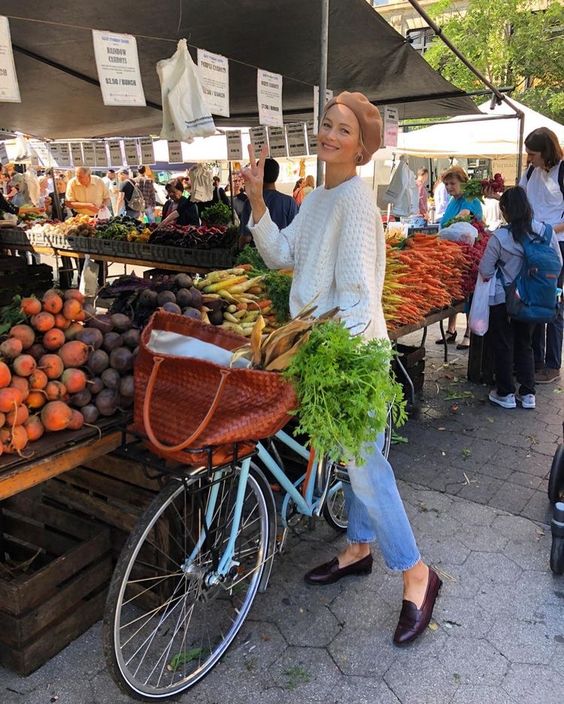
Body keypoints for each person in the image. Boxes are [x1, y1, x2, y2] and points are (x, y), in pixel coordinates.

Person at [241, 91, 441, 647]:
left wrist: (328, 358)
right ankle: (357, 549)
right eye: (326, 124)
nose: (329, 134)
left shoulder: (354, 200)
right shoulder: (317, 198)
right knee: (358, 459)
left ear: (361, 147)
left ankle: (417, 573)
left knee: (365, 468)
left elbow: (356, 295)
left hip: (350, 354)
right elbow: (284, 256)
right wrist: (259, 202)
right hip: (325, 350)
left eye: (343, 130)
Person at [479, 186, 562, 409]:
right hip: (532, 300)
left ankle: (505, 393)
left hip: (504, 299)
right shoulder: (545, 232)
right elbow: (559, 263)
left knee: (504, 344)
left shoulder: (501, 237)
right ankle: (528, 394)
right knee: (525, 344)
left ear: (505, 210)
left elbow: (485, 270)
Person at [519, 128, 564, 384]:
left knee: (554, 304)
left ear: (546, 151)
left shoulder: (563, 171)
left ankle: (552, 364)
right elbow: (521, 199)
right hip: (532, 243)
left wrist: (549, 230)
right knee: (533, 301)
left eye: (533, 154)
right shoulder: (530, 172)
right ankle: (534, 360)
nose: (529, 158)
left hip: (558, 245)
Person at [439, 165, 484, 349]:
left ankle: (468, 333)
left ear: (463, 183)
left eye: (452, 183)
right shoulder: (452, 201)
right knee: (453, 291)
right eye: (446, 184)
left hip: (468, 255)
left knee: (468, 292)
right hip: (452, 254)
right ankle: (451, 330)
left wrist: (449, 227)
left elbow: (462, 217)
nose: (449, 187)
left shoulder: (470, 200)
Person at [241, 157, 298, 237]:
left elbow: (246, 237)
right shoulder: (289, 202)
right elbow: (295, 232)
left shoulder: (250, 202)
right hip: (282, 248)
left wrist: (239, 246)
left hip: (256, 248)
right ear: (277, 175)